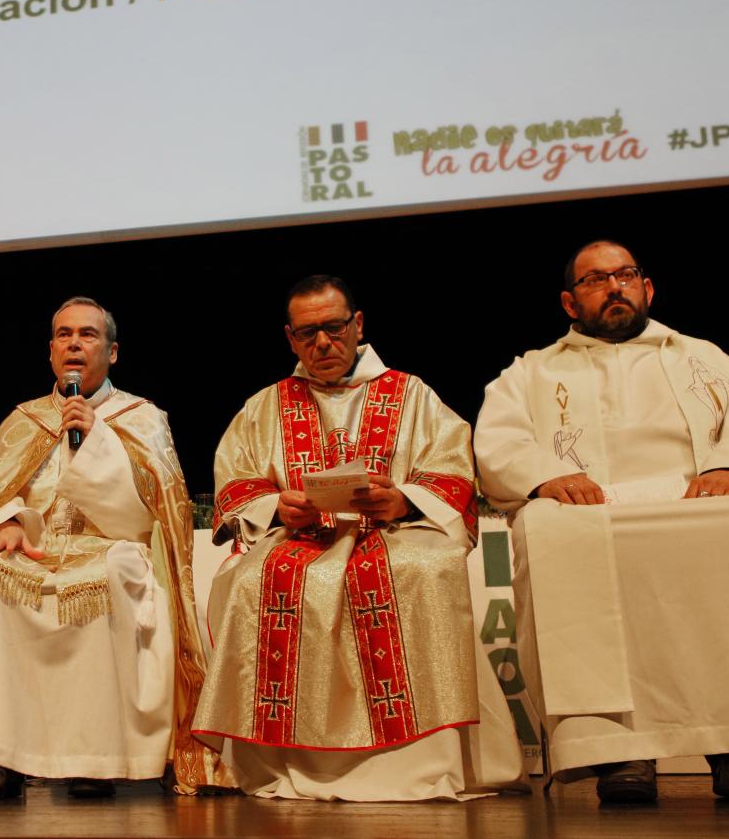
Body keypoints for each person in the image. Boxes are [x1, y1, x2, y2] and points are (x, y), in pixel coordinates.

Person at [0, 297, 226, 800]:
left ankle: (96, 762)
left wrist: (98, 439)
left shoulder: (142, 417)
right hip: (38, 551)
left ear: (112, 351)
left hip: (112, 547)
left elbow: (149, 514)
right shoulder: (25, 419)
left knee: (113, 576)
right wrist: (10, 523)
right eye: (64, 335)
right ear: (50, 352)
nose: (74, 344)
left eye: (87, 335)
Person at [193, 275, 521, 801]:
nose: (322, 343)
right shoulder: (265, 406)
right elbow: (235, 484)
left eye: (332, 328)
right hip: (297, 539)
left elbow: (454, 472)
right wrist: (276, 504)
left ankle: (417, 764)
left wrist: (405, 498)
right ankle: (284, 761)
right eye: (307, 334)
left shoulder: (411, 394)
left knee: (423, 569)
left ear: (358, 325)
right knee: (256, 577)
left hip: (393, 533)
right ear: (290, 338)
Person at [474, 240, 729, 803]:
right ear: (569, 302)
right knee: (549, 529)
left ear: (647, 287)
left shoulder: (700, 355)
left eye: (625, 275)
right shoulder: (533, 371)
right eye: (594, 280)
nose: (613, 287)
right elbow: (500, 438)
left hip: (693, 495)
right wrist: (546, 477)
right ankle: (614, 750)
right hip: (592, 504)